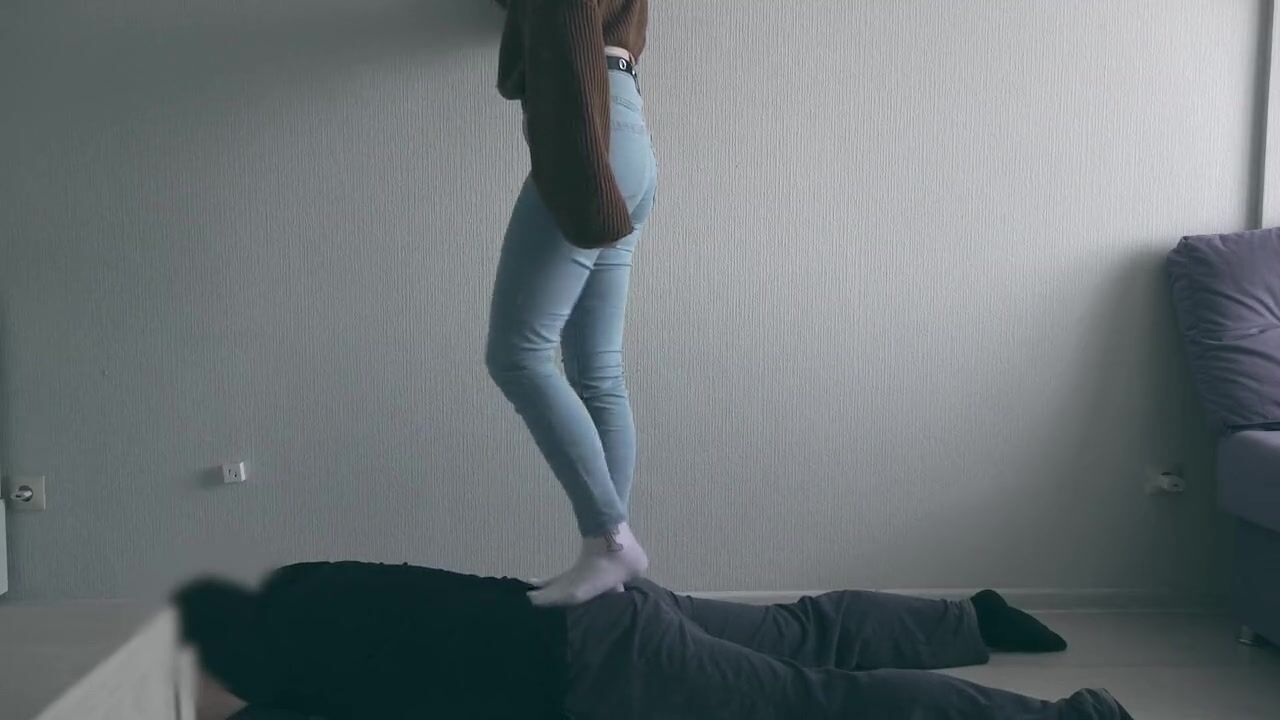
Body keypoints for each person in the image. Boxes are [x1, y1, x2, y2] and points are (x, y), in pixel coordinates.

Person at [175, 561, 1135, 720]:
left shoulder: (276, 692)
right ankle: (967, 619)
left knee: (816, 703)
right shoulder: (302, 584)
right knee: (795, 631)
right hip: (592, 604)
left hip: (602, 669)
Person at [484, 0, 657, 606]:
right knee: (597, 369)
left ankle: (609, 542)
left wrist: (582, 163)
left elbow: (568, 20)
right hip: (625, 127)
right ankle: (611, 552)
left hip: (592, 129)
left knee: (517, 356)